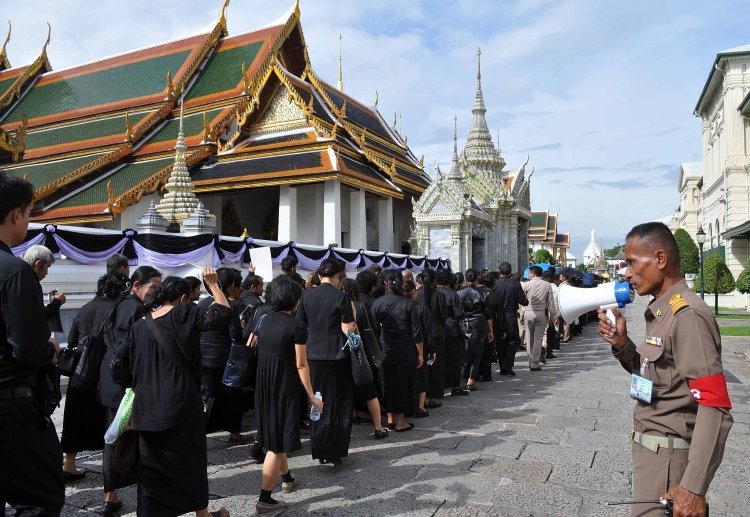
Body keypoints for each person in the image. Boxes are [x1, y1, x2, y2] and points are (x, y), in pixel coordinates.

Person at [598, 222, 733, 517]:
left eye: (632, 262)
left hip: (670, 462)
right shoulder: (663, 311)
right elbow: (657, 380)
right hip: (653, 455)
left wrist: (693, 489)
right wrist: (623, 344)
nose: (626, 272)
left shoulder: (687, 316)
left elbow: (714, 405)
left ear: (660, 259)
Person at [111, 272, 230, 517]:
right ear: (184, 297)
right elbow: (223, 313)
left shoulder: (140, 324)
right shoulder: (185, 313)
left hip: (147, 411)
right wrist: (213, 285)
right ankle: (202, 514)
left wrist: (138, 383)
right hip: (183, 408)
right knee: (190, 465)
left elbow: (116, 365)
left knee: (151, 473)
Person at [0, 171, 65, 516]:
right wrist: (50, 350)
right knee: (40, 497)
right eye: (27, 213)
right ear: (15, 215)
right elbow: (27, 348)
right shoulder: (14, 272)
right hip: (10, 404)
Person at [251, 276, 323, 513]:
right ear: (294, 300)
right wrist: (311, 395)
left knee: (273, 436)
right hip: (283, 386)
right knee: (277, 444)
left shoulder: (264, 320)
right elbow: (302, 365)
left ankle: (287, 478)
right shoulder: (296, 327)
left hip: (263, 385)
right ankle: (264, 498)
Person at [99, 264, 162, 515]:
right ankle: (140, 492)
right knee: (127, 438)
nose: (156, 292)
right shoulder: (137, 310)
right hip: (126, 384)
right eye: (153, 287)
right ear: (136, 286)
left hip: (109, 381)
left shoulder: (118, 304)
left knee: (112, 438)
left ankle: (110, 494)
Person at [61, 271, 129, 483]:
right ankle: (112, 467)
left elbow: (72, 339)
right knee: (105, 420)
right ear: (119, 290)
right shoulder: (116, 309)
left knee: (74, 419)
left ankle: (69, 463)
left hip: (80, 373)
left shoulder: (85, 307)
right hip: (104, 373)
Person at [296, 258, 356, 465]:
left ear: (319, 274)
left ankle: (319, 446)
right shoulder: (341, 297)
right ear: (338, 274)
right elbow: (348, 330)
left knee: (317, 400)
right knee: (338, 402)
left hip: (313, 355)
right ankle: (335, 449)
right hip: (337, 356)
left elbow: (300, 327)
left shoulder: (306, 297)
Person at [197, 267, 247, 445]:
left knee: (206, 396)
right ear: (231, 286)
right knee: (232, 396)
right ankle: (234, 433)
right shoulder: (229, 306)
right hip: (223, 357)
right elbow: (236, 334)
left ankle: (198, 433)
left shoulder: (202, 304)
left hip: (202, 357)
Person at [371, 270, 423, 432]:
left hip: (385, 348)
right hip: (405, 349)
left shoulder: (377, 303)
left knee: (388, 383)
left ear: (385, 283)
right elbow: (416, 332)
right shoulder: (408, 303)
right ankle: (400, 421)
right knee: (403, 384)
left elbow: (374, 329)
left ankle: (390, 418)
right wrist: (420, 353)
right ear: (401, 283)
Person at [339, 277, 388, 439]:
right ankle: (378, 427)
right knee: (370, 391)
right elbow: (369, 329)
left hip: (342, 355)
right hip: (361, 353)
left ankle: (348, 423)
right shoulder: (361, 306)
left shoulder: (337, 306)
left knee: (345, 392)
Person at [488, 262, 528, 376]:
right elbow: (523, 301)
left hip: (498, 316)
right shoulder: (515, 283)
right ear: (510, 272)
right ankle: (508, 364)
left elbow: (492, 302)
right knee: (514, 340)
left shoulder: (495, 285)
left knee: (500, 342)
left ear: (500, 272)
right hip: (510, 315)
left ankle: (503, 367)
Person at [456, 269, 493, 391]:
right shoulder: (482, 293)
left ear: (466, 278)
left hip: (464, 322)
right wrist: (490, 330)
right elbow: (488, 314)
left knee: (463, 350)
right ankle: (471, 380)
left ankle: (460, 379)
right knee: (477, 352)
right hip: (478, 322)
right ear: (476, 279)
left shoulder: (458, 293)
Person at [431, 269, 467, 397]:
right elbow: (459, 313)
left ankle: (441, 385)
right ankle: (455, 387)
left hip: (436, 329)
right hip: (451, 328)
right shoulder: (452, 294)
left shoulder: (433, 293)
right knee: (454, 359)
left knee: (440, 359)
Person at [521, 265, 551, 371]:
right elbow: (550, 302)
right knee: (538, 339)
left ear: (533, 273)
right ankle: (535, 362)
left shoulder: (526, 285)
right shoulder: (547, 285)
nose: (528, 275)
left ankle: (531, 360)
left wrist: (521, 313)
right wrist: (553, 315)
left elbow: (521, 300)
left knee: (529, 338)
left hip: (529, 313)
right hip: (541, 313)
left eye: (529, 273)